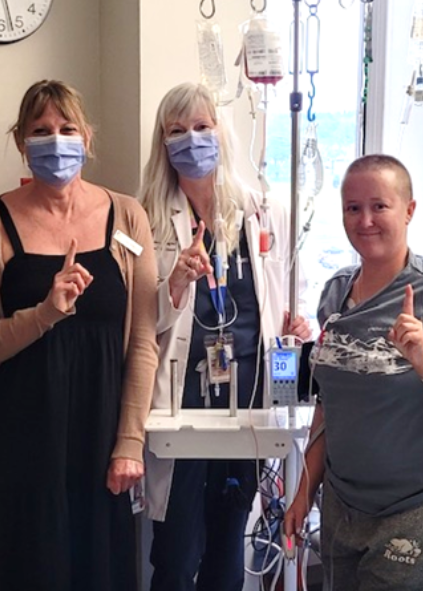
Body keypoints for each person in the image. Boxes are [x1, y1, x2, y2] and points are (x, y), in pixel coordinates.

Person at [0, 80, 158, 591]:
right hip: (10, 438)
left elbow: (143, 341)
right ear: (21, 140)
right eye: (41, 131)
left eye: (67, 129)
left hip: (97, 432)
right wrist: (43, 312)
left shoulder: (127, 215)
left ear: (87, 137)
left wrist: (129, 440)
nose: (56, 141)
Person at [284, 154, 423, 591]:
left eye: (379, 206)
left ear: (409, 210)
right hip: (345, 508)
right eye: (352, 208)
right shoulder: (336, 293)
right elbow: (331, 407)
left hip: (421, 509)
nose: (365, 220)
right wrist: (306, 487)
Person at [138, 82, 311, 591]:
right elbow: (133, 320)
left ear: (222, 133)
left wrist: (296, 329)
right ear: (162, 142)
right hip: (180, 400)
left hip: (248, 398)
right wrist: (173, 285)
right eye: (177, 130)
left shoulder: (264, 212)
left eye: (202, 127)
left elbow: (282, 300)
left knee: (228, 539)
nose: (191, 140)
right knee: (174, 552)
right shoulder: (145, 218)